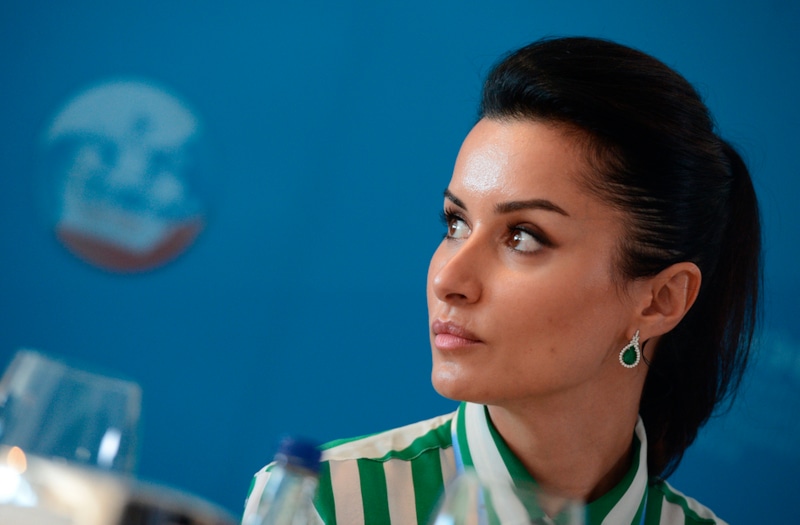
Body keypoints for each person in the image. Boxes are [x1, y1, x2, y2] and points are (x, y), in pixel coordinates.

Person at [242, 36, 761, 525]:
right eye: (455, 223)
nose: (449, 278)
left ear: (661, 300)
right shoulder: (324, 504)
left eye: (523, 237)